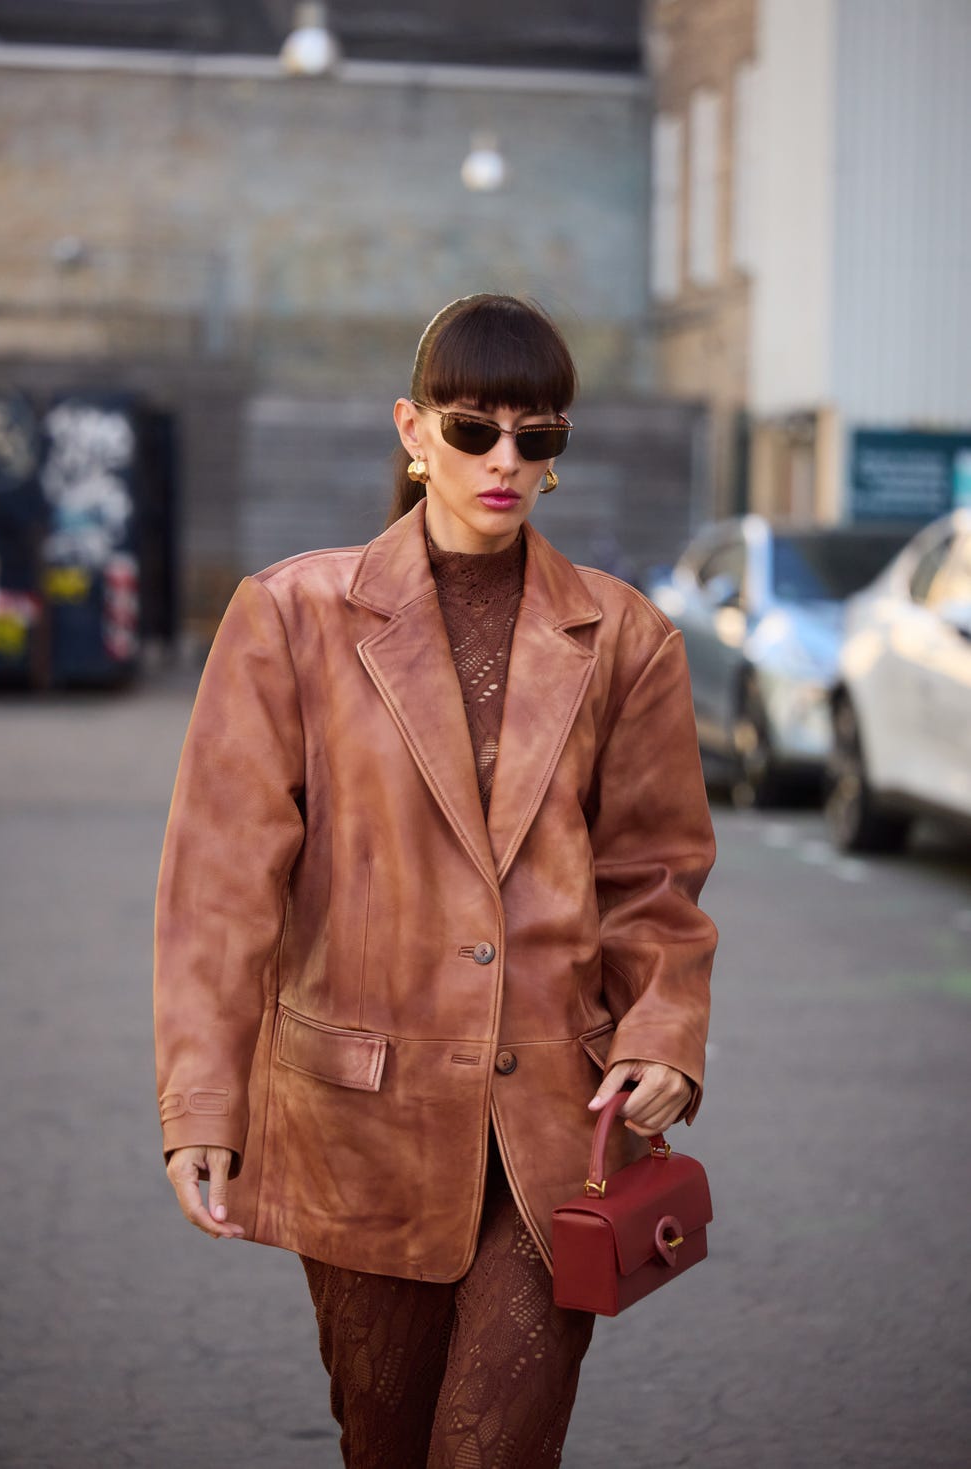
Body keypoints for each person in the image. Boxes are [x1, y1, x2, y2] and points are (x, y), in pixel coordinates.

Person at [154, 293, 717, 1468]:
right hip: (361, 1119)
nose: (504, 460)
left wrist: (663, 1031)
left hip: (558, 1125)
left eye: (537, 436)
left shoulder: (625, 639)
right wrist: (202, 1100)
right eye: (473, 430)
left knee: (490, 1447)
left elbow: (655, 878)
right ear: (411, 432)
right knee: (386, 1438)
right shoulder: (290, 617)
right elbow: (220, 884)